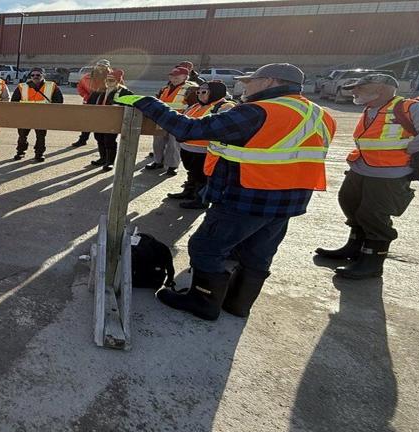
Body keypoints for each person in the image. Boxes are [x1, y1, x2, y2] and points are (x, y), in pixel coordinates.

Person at [115, 62, 335, 320]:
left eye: (251, 80)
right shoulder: (320, 114)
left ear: (270, 82)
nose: (244, 85)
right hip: (288, 200)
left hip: (247, 196)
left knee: (206, 248)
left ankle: (203, 302)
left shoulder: (259, 111)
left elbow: (189, 130)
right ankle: (238, 304)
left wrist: (149, 103)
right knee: (257, 253)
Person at [312, 73, 419, 279]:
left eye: (359, 88)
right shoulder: (372, 108)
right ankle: (354, 248)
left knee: (374, 216)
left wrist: (412, 147)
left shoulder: (407, 107)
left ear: (379, 89)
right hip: (362, 167)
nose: (354, 92)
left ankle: (372, 262)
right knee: (351, 205)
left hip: (388, 174)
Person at [169, 79, 234, 207]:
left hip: (206, 150)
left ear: (215, 92)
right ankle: (189, 191)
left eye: (204, 92)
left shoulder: (225, 107)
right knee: (192, 173)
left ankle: (201, 200)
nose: (199, 95)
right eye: (198, 92)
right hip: (188, 148)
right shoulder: (196, 106)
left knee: (203, 176)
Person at [145, 66, 196, 176]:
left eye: (177, 76)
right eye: (172, 76)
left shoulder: (191, 89)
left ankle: (172, 166)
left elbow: (194, 106)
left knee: (174, 144)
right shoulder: (165, 88)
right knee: (158, 142)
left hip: (178, 120)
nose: (174, 78)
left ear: (185, 77)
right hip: (161, 119)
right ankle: (157, 161)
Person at [10, 67, 63, 162]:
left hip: (42, 117)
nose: (35, 77)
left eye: (38, 75)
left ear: (43, 76)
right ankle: (20, 152)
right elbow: (14, 102)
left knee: (41, 136)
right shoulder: (22, 86)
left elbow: (59, 101)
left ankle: (39, 154)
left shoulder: (52, 86)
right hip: (25, 116)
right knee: (22, 136)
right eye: (33, 75)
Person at [86, 67, 125, 171]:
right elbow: (90, 102)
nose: (108, 82)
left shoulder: (123, 92)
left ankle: (110, 162)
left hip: (113, 121)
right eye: (107, 80)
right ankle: (103, 158)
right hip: (99, 120)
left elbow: (129, 105)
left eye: (111, 80)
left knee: (109, 141)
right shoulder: (101, 90)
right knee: (99, 138)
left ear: (117, 81)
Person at [72, 59, 110, 148]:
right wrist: (86, 96)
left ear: (107, 67)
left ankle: (103, 142)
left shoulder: (112, 77)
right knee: (87, 122)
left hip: (105, 102)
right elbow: (80, 87)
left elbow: (119, 88)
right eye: (100, 65)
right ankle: (82, 140)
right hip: (90, 101)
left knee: (103, 123)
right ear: (96, 66)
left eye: (104, 66)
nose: (101, 68)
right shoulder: (87, 77)